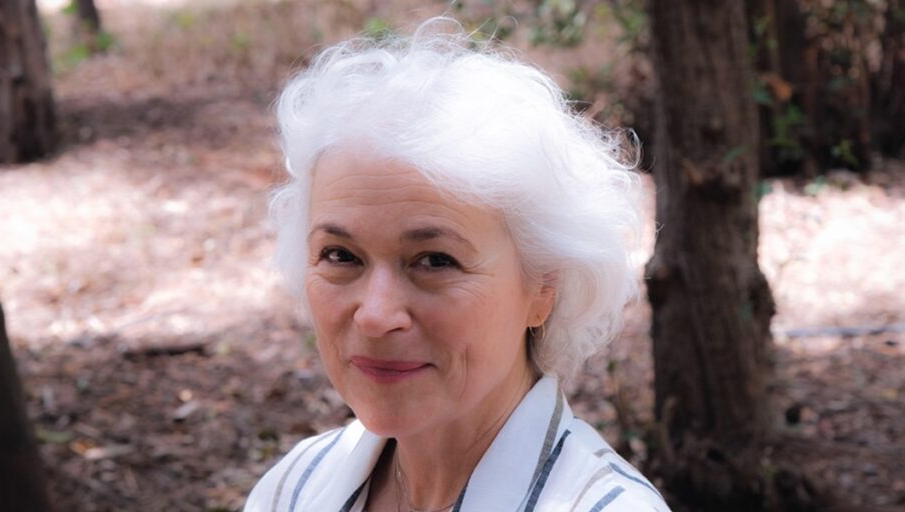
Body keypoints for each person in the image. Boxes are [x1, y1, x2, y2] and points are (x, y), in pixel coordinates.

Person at [246, 18, 670, 512]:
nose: (376, 315)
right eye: (340, 255)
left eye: (435, 260)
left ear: (543, 287)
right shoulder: (292, 488)